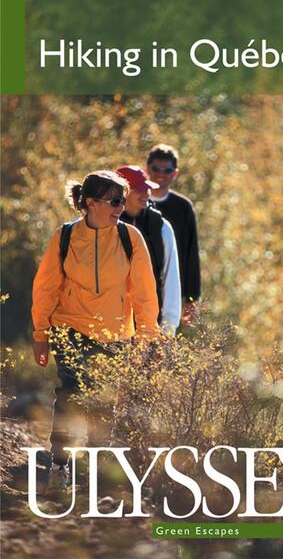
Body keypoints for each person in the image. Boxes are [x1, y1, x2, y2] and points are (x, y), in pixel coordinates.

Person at [32, 170, 159, 489]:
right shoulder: (64, 237)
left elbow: (144, 294)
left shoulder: (131, 239)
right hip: (70, 328)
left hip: (115, 335)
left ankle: (92, 474)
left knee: (103, 404)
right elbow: (46, 288)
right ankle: (59, 466)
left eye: (123, 201)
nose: (121, 207)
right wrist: (40, 335)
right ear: (90, 203)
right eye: (115, 201)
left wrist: (146, 339)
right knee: (70, 396)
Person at [117, 165, 181, 335]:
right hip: (112, 329)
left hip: (152, 328)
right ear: (122, 192)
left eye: (147, 188)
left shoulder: (161, 227)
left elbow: (171, 278)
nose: (146, 193)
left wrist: (169, 328)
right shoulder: (105, 225)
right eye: (139, 189)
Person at [146, 144, 201, 324]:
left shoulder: (183, 207)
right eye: (155, 168)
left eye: (167, 170)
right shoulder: (133, 202)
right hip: (140, 289)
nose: (160, 174)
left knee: (164, 344)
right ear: (147, 168)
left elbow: (191, 253)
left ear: (174, 173)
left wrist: (191, 298)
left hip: (171, 293)